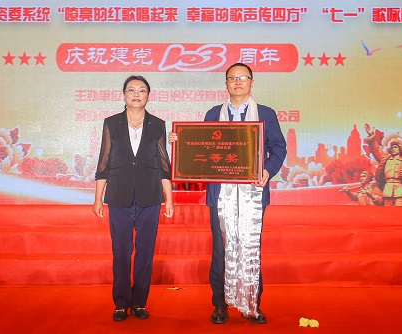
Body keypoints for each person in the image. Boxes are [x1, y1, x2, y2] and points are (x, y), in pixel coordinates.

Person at [171, 63, 286, 324]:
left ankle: (251, 304)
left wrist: (267, 170)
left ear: (251, 83)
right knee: (220, 249)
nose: (237, 82)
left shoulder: (266, 113)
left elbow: (279, 147)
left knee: (250, 247)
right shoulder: (213, 113)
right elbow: (201, 147)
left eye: (242, 77)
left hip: (253, 192)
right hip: (220, 194)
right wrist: (180, 143)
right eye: (232, 78)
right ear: (226, 84)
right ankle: (220, 304)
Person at [93, 75, 174, 322]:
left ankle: (139, 302)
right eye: (131, 90)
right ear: (124, 95)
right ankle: (121, 303)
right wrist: (98, 198)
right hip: (119, 194)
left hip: (150, 196)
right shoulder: (111, 123)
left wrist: (169, 198)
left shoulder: (158, 125)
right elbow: (104, 162)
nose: (136, 94)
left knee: (145, 252)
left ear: (148, 95)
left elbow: (163, 165)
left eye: (142, 90)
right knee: (121, 251)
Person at [364, 123, 402, 206]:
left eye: (396, 147)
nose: (393, 149)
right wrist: (371, 135)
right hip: (387, 192)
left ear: (400, 148)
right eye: (392, 147)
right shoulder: (386, 159)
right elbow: (377, 150)